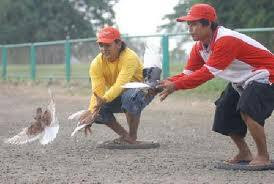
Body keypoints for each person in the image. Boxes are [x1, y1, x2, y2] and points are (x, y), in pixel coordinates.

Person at [157, 3, 274, 166]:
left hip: (267, 74)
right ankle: (244, 153)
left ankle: (263, 156)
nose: (190, 28)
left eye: (194, 24)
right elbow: (187, 75)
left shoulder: (226, 40)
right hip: (244, 79)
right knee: (224, 110)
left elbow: (206, 74)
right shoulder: (199, 47)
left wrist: (176, 86)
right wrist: (162, 84)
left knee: (248, 110)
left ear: (208, 23)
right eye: (188, 24)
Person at [78, 26, 156, 144]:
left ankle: (132, 136)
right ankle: (125, 136)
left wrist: (103, 99)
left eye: (108, 45)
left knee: (129, 97)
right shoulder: (96, 63)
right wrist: (91, 112)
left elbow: (121, 84)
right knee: (98, 110)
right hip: (121, 93)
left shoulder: (129, 57)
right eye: (101, 45)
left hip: (143, 92)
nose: (104, 49)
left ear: (119, 44)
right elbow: (97, 93)